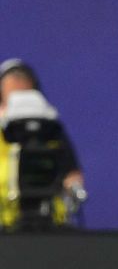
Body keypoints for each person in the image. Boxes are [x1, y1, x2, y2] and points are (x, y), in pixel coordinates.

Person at [0, 58, 85, 231]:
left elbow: (72, 175)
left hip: (52, 221)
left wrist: (73, 190)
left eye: (23, 85)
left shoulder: (52, 131)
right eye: (11, 87)